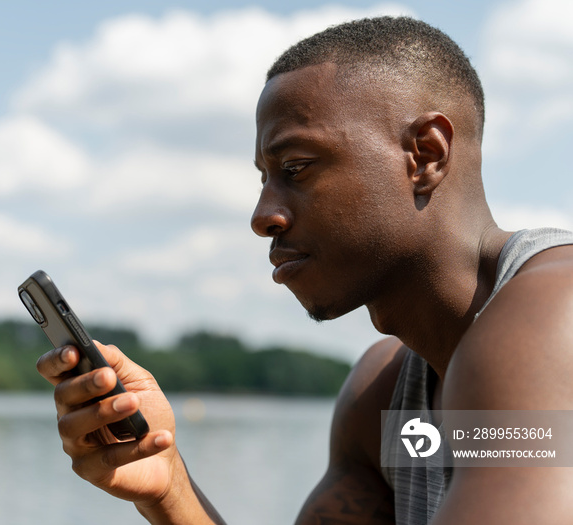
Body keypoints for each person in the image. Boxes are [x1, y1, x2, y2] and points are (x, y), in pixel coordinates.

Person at [36, 16, 573, 524]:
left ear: (425, 155)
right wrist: (169, 487)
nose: (262, 217)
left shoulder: (552, 320)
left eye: (296, 168)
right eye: (264, 178)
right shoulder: (380, 397)